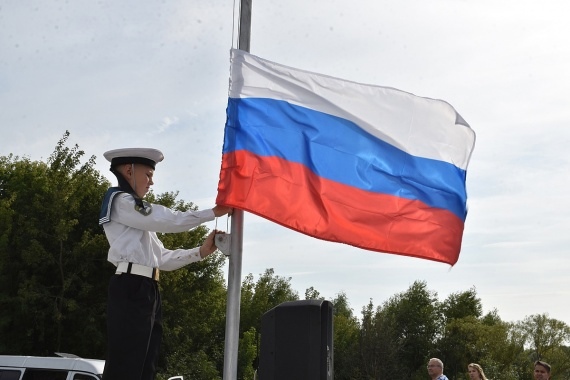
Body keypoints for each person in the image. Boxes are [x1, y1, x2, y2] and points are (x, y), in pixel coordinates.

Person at [98, 147, 232, 380]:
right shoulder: (122, 201)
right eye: (148, 175)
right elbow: (166, 219)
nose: (151, 182)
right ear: (129, 170)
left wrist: (200, 252)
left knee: (145, 366)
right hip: (131, 286)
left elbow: (161, 258)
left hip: (147, 288)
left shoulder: (137, 218)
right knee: (127, 366)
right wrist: (211, 213)